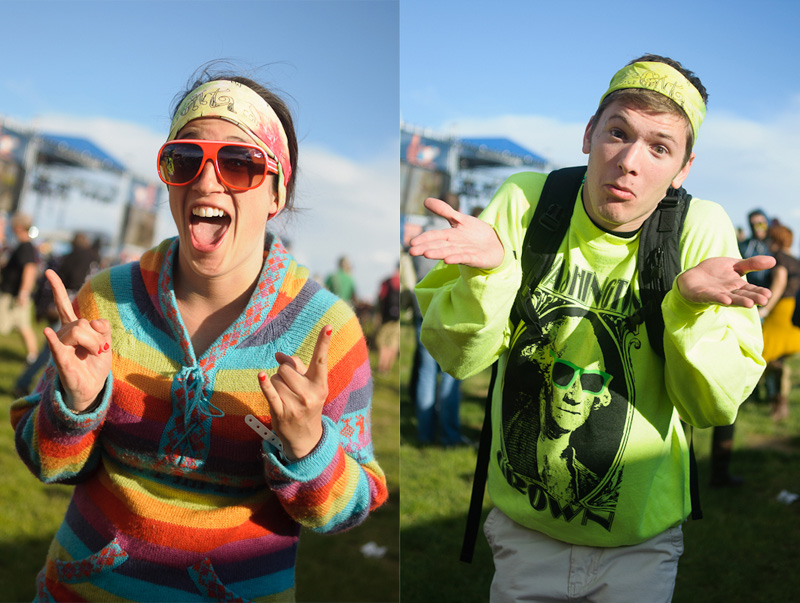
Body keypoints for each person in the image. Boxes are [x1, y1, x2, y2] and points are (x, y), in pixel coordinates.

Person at [10, 70, 387, 601]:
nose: (207, 181)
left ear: (278, 190)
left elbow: (352, 505)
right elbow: (47, 460)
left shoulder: (328, 332)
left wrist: (309, 449)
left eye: (239, 163)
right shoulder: (105, 301)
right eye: (185, 160)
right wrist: (75, 404)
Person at [411, 54, 773, 601]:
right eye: (618, 132)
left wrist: (686, 310)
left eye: (659, 147)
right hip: (523, 534)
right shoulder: (530, 202)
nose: (629, 161)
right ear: (588, 135)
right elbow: (459, 359)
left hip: (640, 545)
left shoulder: (701, 231)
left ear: (683, 168)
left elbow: (712, 407)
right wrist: (491, 276)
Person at [12, 232, 98, 397]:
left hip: (64, 302)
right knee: (56, 348)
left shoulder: (68, 256)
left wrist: (42, 306)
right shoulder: (90, 259)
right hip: (78, 305)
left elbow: (55, 280)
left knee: (54, 348)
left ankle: (31, 385)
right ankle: (31, 386)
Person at [412, 192, 465, 447]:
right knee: (452, 374)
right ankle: (449, 435)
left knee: (426, 372)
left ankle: (424, 433)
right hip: (449, 313)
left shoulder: (420, 235)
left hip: (422, 311)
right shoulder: (455, 239)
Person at [758, 223, 800, 420]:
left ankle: (775, 400)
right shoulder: (796, 260)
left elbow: (779, 283)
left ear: (775, 239)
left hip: (780, 310)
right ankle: (779, 402)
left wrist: (765, 309)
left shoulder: (780, 259)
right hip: (793, 311)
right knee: (775, 357)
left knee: (762, 353)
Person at [0, 211, 39, 364]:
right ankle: (33, 357)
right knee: (24, 327)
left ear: (18, 227)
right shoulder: (23, 246)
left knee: (24, 328)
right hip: (13, 293)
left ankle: (33, 357)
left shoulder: (26, 247)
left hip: (14, 294)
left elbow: (30, 270)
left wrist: (23, 293)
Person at [375, 263, 400, 374]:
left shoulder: (388, 281)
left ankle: (381, 367)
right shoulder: (402, 282)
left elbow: (381, 297)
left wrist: (378, 313)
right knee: (393, 343)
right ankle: (388, 368)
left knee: (383, 342)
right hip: (398, 318)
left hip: (386, 317)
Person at [739, 209, 772, 288]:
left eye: (760, 224)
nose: (757, 228)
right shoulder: (745, 246)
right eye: (753, 225)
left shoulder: (775, 244)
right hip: (751, 289)